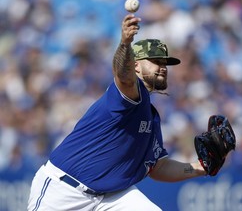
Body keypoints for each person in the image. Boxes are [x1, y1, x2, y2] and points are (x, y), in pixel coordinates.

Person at [27, 14, 207, 211]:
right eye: (155, 61)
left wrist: (199, 167)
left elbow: (159, 167)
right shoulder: (127, 95)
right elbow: (124, 76)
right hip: (64, 191)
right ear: (136, 65)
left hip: (112, 197)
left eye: (165, 64)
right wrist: (125, 43)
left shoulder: (151, 115)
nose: (163, 68)